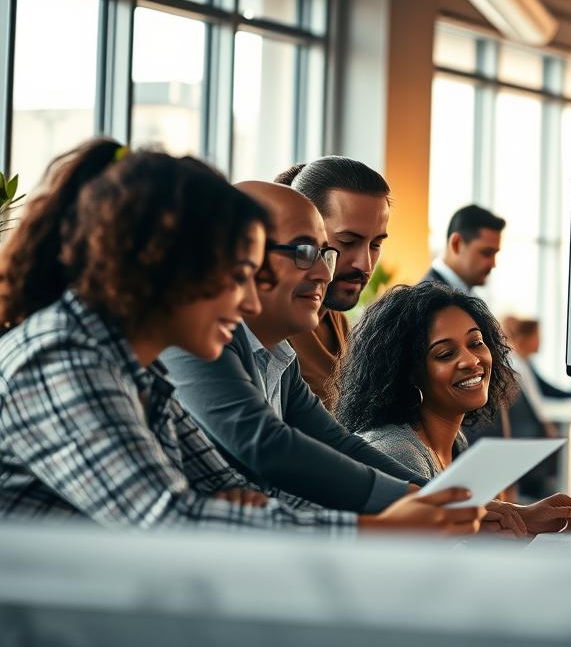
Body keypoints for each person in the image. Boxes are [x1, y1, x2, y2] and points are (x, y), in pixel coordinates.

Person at [0, 141, 480, 535]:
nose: (249, 302)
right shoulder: (61, 355)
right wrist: (379, 528)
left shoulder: (137, 370)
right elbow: (173, 520)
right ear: (168, 263)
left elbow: (223, 487)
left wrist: (425, 507)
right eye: (237, 275)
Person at [161, 182, 426, 514]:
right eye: (303, 253)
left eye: (324, 254)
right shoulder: (194, 336)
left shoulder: (277, 353)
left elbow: (337, 443)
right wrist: (413, 503)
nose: (322, 274)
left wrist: (446, 499)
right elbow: (267, 446)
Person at [335, 282, 571, 537]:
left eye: (476, 343)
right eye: (445, 354)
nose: (472, 361)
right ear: (405, 373)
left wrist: (524, 516)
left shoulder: (454, 440)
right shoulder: (397, 451)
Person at [275, 157, 391, 409]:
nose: (366, 265)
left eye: (375, 245)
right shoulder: (272, 328)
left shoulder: (337, 321)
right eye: (347, 242)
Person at [422, 204, 504, 295]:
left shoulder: (459, 293)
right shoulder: (430, 300)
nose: (493, 264)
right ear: (456, 244)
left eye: (495, 254)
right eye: (487, 253)